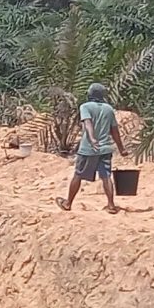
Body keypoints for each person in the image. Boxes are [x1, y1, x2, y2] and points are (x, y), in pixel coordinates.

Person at [63, 81, 127, 213]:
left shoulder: (85, 107)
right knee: (106, 176)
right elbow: (114, 130)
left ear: (90, 94)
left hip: (88, 149)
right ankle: (111, 205)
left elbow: (88, 122)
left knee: (78, 175)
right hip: (105, 149)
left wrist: (92, 138)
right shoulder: (108, 109)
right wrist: (121, 148)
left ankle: (68, 203)